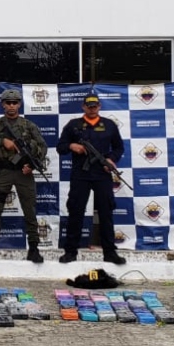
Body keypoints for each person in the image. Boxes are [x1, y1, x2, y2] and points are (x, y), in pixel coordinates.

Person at [0, 88, 48, 264]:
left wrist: (31, 165)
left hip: (23, 172)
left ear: (19, 104)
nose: (11, 106)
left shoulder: (28, 126)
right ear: (2, 105)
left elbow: (43, 147)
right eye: (8, 103)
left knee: (30, 211)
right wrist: (2, 141)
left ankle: (33, 248)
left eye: (14, 102)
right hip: (4, 171)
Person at [56, 92, 126, 265]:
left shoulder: (109, 125)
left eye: (95, 106)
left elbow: (119, 147)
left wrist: (111, 159)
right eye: (89, 106)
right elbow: (60, 146)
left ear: (99, 106)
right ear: (83, 107)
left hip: (102, 174)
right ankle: (71, 251)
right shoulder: (74, 125)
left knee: (106, 213)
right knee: (76, 212)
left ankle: (110, 252)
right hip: (81, 174)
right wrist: (72, 146)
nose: (92, 108)